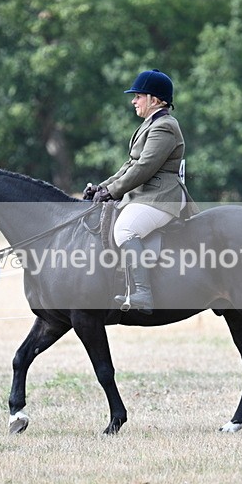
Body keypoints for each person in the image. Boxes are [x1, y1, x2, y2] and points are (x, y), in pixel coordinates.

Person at [84, 69, 198, 313]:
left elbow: (145, 168)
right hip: (146, 196)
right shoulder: (150, 125)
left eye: (138, 96)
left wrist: (113, 192)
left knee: (125, 229)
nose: (133, 101)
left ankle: (143, 294)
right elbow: (130, 166)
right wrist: (102, 187)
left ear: (155, 100)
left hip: (161, 197)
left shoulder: (165, 127)